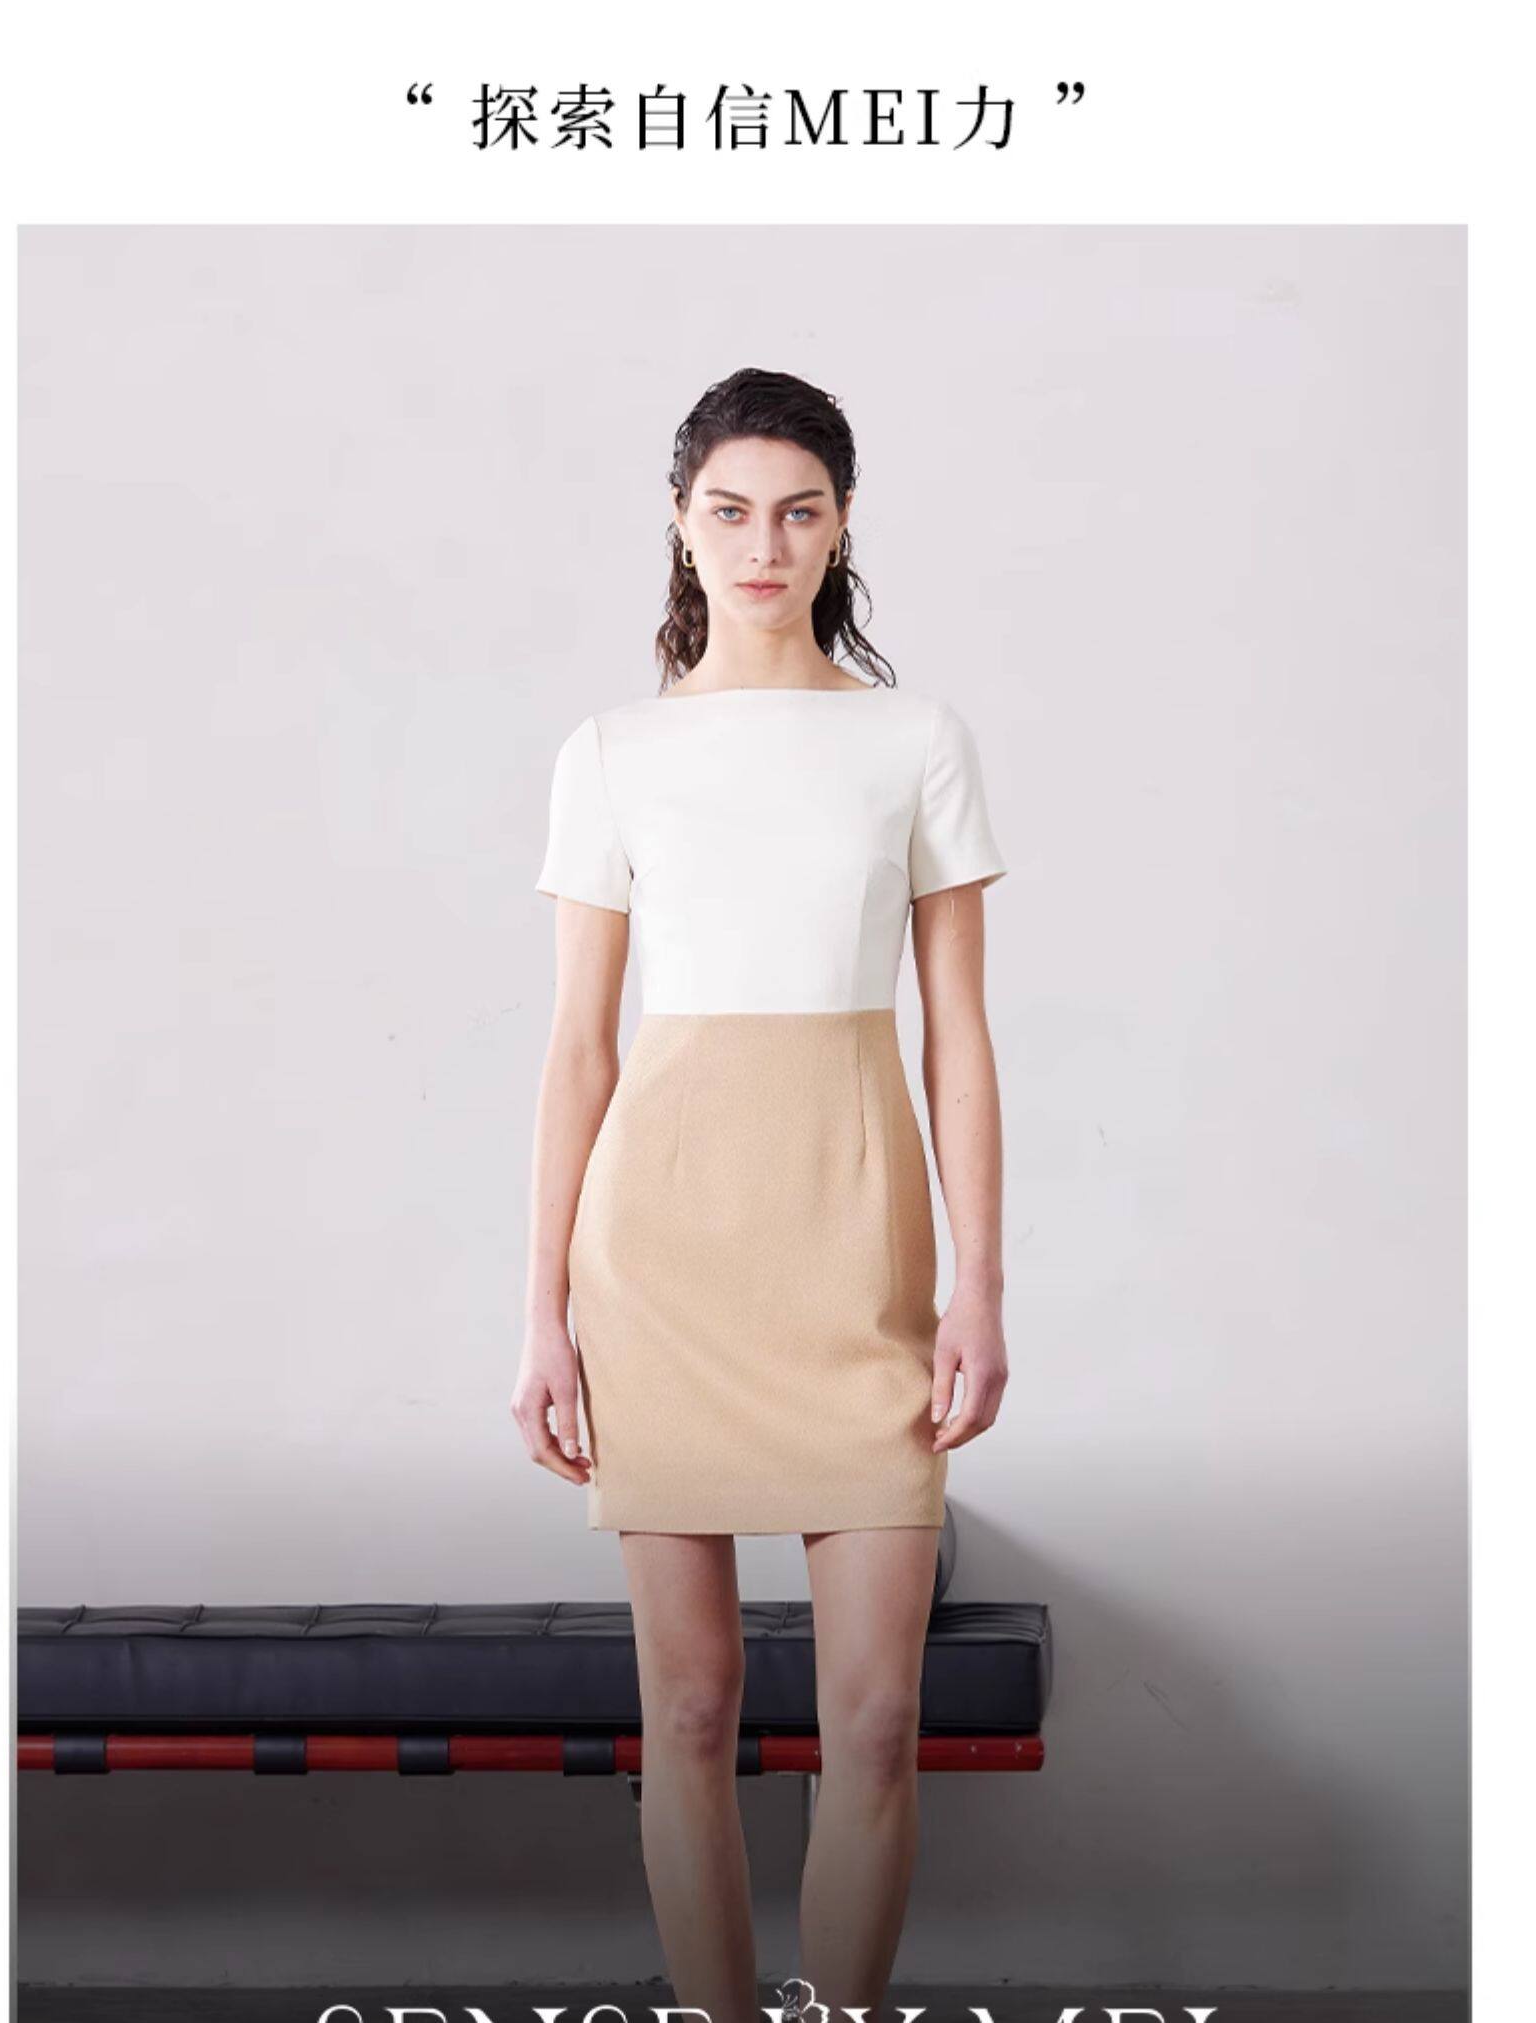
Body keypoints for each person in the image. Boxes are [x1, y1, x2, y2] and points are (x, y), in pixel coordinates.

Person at [514, 366, 1009, 2022]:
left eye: (798, 512)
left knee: (873, 1717)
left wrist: (978, 1285)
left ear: (841, 525)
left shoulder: (912, 740)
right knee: (689, 1710)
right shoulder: (613, 754)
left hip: (856, 1249)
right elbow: (579, 1051)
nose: (763, 544)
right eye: (728, 511)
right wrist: (541, 1314)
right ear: (680, 524)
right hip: (656, 1258)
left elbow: (956, 1038)